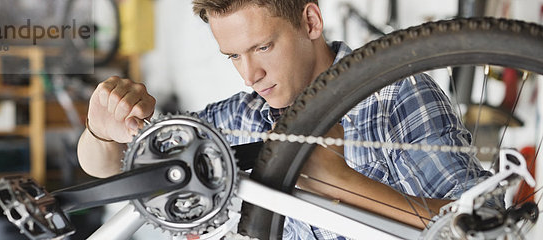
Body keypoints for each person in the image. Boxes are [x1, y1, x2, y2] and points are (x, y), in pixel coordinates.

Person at [77, 0, 490, 239]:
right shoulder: (243, 116)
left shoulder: (394, 95)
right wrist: (102, 129)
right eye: (234, 56)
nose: (249, 74)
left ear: (310, 22)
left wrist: (343, 184)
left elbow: (484, 228)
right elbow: (111, 168)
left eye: (264, 46)